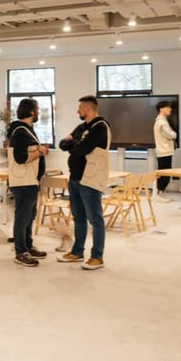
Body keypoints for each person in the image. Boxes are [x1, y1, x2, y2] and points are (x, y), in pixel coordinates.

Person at [58, 95, 111, 271]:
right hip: (75, 178)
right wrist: (75, 144)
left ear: (88, 109)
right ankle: (77, 251)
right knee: (78, 217)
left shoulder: (100, 127)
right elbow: (62, 144)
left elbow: (81, 149)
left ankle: (97, 256)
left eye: (80, 108)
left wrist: (74, 144)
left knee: (95, 219)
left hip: (90, 179)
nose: (77, 111)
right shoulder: (81, 127)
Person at [6, 99, 48, 267]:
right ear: (30, 111)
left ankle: (28, 245)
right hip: (23, 183)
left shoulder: (27, 130)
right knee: (23, 217)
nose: (38, 112)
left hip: (31, 181)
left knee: (29, 216)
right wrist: (40, 152)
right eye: (37, 109)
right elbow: (20, 158)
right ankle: (20, 252)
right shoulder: (20, 131)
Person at [153, 101, 177, 203]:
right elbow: (171, 135)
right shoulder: (161, 123)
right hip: (164, 151)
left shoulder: (162, 121)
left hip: (164, 150)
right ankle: (158, 194)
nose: (170, 109)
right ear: (161, 109)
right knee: (164, 174)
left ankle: (159, 193)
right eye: (167, 108)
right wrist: (174, 134)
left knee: (164, 174)